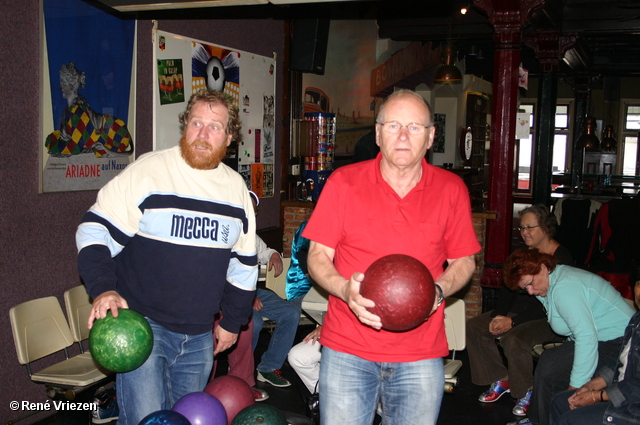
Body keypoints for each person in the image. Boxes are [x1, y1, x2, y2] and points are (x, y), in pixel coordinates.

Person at [76, 89, 258, 425]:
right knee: (147, 419)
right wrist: (103, 287)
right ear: (184, 125)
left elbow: (243, 266)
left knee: (186, 420)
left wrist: (232, 323)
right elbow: (93, 229)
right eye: (196, 123)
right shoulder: (150, 172)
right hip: (145, 329)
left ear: (230, 137)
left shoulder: (236, 191)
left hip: (200, 335)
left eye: (214, 127)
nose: (202, 135)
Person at [303, 89, 481, 425]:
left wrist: (437, 292)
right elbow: (317, 256)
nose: (402, 136)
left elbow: (464, 261)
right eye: (393, 125)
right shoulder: (342, 183)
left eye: (414, 127)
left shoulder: (451, 188)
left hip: (420, 354)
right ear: (378, 134)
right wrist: (344, 291)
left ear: (430, 137)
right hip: (348, 349)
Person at [502, 248, 635, 425]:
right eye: (525, 288)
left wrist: (576, 387)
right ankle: (539, 419)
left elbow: (586, 337)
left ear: (542, 267)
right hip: (607, 338)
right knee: (550, 364)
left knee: (550, 366)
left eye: (530, 283)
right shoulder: (552, 281)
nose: (531, 291)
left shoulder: (565, 287)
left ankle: (542, 420)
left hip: (623, 342)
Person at [467, 204, 572, 416]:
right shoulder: (522, 253)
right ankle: (502, 378)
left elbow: (555, 305)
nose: (524, 232)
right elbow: (508, 288)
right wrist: (499, 315)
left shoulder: (563, 259)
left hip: (551, 318)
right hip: (518, 312)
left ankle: (526, 391)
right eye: (522, 228)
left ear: (545, 227)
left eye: (530, 227)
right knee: (475, 326)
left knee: (513, 339)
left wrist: (512, 322)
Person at [549, 266, 640, 425]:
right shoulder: (636, 320)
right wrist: (590, 386)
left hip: (634, 408)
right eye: (639, 284)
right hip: (623, 392)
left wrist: (597, 396)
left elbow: (636, 387)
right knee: (560, 401)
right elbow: (621, 361)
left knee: (569, 420)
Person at [250, 192, 302, 389]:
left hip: (254, 291)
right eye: (249, 208)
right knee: (252, 322)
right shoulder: (226, 235)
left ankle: (268, 368)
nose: (253, 214)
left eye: (255, 210)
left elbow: (265, 251)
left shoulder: (251, 236)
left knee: (291, 313)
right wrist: (247, 297)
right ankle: (240, 372)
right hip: (228, 294)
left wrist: (273, 255)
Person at [46, 62, 133, 158]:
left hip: (116, 135)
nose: (60, 87)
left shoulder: (78, 111)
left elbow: (75, 148)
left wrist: (53, 146)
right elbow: (67, 137)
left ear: (70, 87)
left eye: (63, 84)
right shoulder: (70, 110)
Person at [288, 325, 322, 394]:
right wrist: (323, 326)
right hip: (334, 333)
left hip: (347, 342)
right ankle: (324, 393)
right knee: (297, 356)